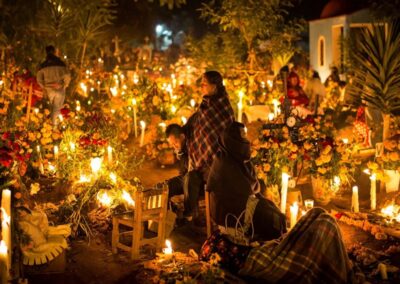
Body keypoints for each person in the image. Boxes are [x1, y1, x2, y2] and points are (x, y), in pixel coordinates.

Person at [201, 208, 364, 284]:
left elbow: (280, 244)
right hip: (263, 256)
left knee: (319, 214)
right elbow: (280, 257)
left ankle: (323, 232)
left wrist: (281, 241)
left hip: (263, 250)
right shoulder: (222, 249)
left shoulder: (218, 242)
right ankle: (325, 235)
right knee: (325, 223)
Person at [206, 122, 286, 241]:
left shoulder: (235, 155)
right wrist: (257, 193)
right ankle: (268, 248)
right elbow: (245, 189)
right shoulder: (225, 163)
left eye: (245, 134)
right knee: (271, 218)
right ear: (233, 140)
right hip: (231, 210)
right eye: (242, 135)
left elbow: (251, 186)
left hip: (243, 202)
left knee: (275, 211)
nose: (245, 139)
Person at [187, 71, 235, 183]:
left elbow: (221, 135)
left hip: (217, 162)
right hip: (201, 160)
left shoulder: (223, 107)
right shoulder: (205, 103)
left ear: (214, 87)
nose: (201, 86)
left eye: (204, 84)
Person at [165, 123, 204, 222]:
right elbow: (183, 171)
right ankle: (166, 214)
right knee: (167, 185)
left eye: (176, 143)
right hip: (187, 178)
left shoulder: (194, 144)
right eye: (172, 145)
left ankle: (189, 217)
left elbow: (195, 169)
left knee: (189, 177)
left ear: (182, 136)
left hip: (200, 181)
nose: (175, 146)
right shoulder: (181, 149)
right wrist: (180, 153)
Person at [36, 45, 71, 125]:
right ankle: (54, 128)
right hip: (59, 89)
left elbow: (39, 79)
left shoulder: (43, 65)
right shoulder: (61, 63)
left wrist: (44, 87)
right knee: (57, 109)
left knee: (48, 109)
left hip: (49, 90)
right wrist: (65, 85)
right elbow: (67, 76)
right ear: (55, 52)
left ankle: (47, 129)